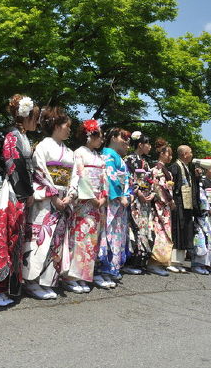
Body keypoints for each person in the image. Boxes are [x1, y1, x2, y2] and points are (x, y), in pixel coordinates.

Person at [0, 95, 39, 307]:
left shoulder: (19, 135)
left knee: (12, 236)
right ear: (26, 116)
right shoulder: (13, 135)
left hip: (18, 192)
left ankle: (2, 286)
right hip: (13, 192)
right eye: (34, 117)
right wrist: (26, 192)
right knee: (5, 234)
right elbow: (15, 165)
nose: (36, 122)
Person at [22, 106, 73, 300]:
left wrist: (71, 195)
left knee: (56, 243)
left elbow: (74, 176)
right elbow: (39, 173)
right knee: (39, 240)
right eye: (67, 126)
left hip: (62, 199)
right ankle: (32, 281)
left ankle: (47, 280)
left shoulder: (69, 151)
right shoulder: (43, 146)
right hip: (46, 202)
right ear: (57, 126)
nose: (69, 130)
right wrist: (53, 196)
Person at [64, 119, 107, 293]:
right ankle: (70, 276)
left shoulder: (98, 156)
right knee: (79, 238)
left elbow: (104, 178)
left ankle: (83, 276)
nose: (101, 140)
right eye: (99, 136)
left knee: (91, 241)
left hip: (97, 203)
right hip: (84, 202)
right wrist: (92, 198)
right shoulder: (79, 153)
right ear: (90, 136)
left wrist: (103, 196)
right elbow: (80, 176)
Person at [94, 128, 130, 288]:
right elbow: (110, 176)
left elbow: (127, 180)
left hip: (120, 202)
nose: (126, 142)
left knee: (116, 237)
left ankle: (110, 270)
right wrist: (121, 195)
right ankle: (101, 270)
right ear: (113, 137)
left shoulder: (118, 158)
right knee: (107, 235)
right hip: (112, 202)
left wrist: (129, 194)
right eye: (123, 138)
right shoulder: (107, 154)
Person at [124, 131, 153, 274]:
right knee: (134, 227)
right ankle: (130, 261)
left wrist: (151, 193)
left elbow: (150, 181)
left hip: (144, 200)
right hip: (134, 198)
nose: (150, 146)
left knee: (143, 229)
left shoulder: (146, 162)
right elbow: (128, 177)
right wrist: (138, 191)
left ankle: (140, 262)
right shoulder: (129, 159)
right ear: (140, 144)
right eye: (147, 143)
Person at [146, 138, 175, 276]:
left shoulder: (164, 169)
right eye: (168, 153)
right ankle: (153, 263)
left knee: (165, 234)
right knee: (160, 233)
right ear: (161, 153)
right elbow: (158, 188)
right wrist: (169, 200)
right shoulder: (157, 168)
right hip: (159, 205)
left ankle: (161, 262)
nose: (170, 156)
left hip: (165, 206)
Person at [169, 145, 197, 273]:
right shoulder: (175, 167)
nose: (192, 155)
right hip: (178, 203)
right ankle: (172, 260)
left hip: (186, 204)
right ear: (185, 154)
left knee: (185, 230)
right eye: (190, 152)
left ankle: (179, 261)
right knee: (177, 229)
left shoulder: (186, 168)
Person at [191, 161, 211, 274]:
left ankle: (204, 264)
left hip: (210, 214)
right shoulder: (201, 181)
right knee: (200, 238)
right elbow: (201, 197)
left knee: (208, 240)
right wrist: (208, 209)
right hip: (202, 213)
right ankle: (196, 264)